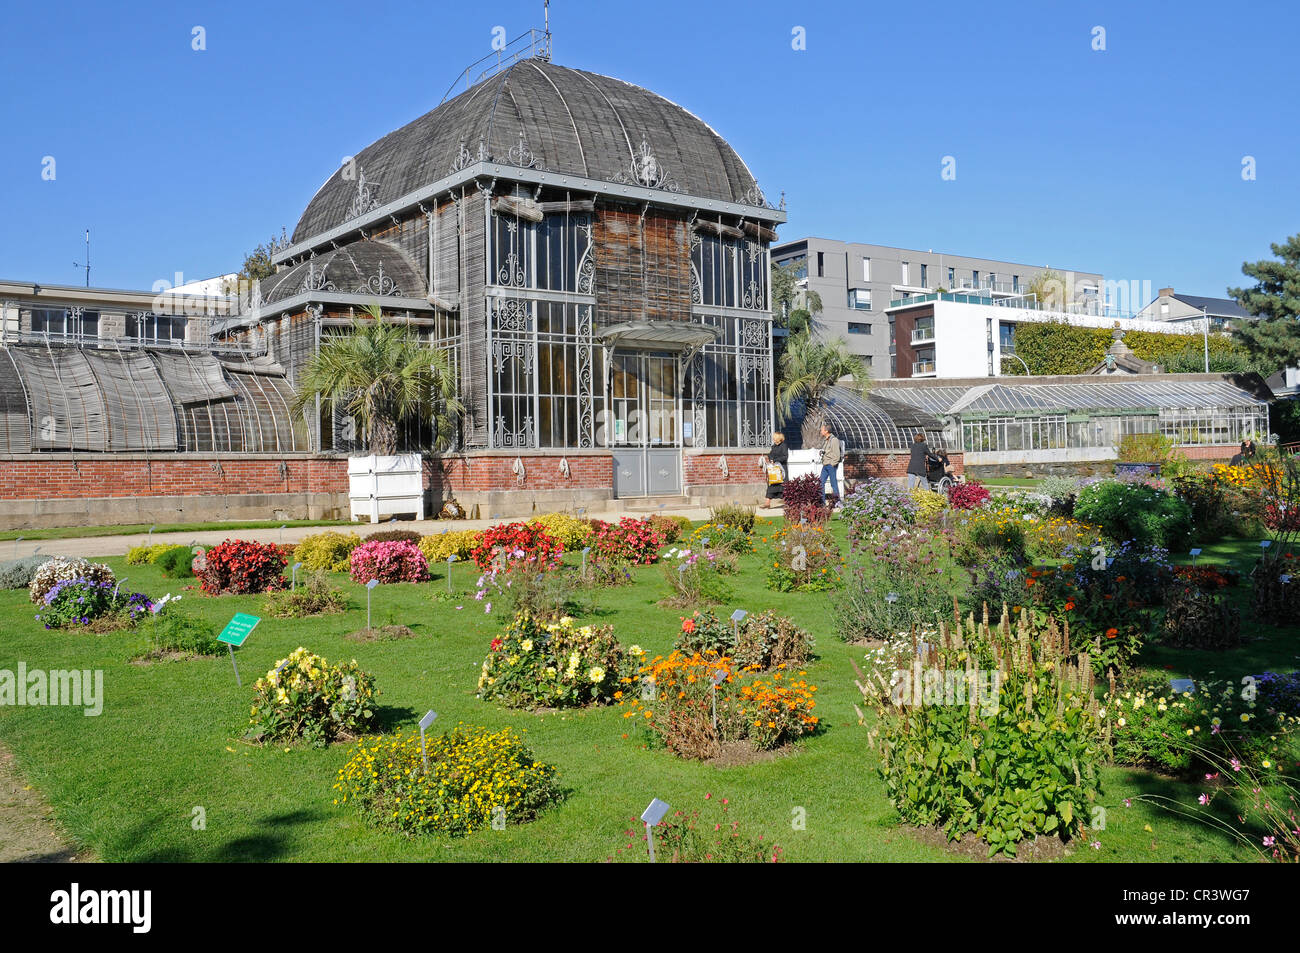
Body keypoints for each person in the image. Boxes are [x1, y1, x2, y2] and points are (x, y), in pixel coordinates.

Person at [819, 423, 843, 505]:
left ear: (826, 431)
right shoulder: (826, 440)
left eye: (822, 430)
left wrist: (833, 464)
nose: (820, 431)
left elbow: (837, 454)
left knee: (833, 484)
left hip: (831, 465)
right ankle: (822, 502)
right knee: (820, 483)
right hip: (825, 465)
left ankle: (837, 502)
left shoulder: (834, 440)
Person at [763, 432, 788, 509]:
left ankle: (788, 503)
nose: (773, 439)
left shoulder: (783, 446)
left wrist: (776, 460)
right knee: (772, 484)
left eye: (774, 438)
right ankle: (767, 503)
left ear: (778, 438)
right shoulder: (774, 446)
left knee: (783, 487)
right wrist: (770, 459)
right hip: (774, 469)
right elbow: (770, 454)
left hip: (781, 469)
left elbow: (785, 457)